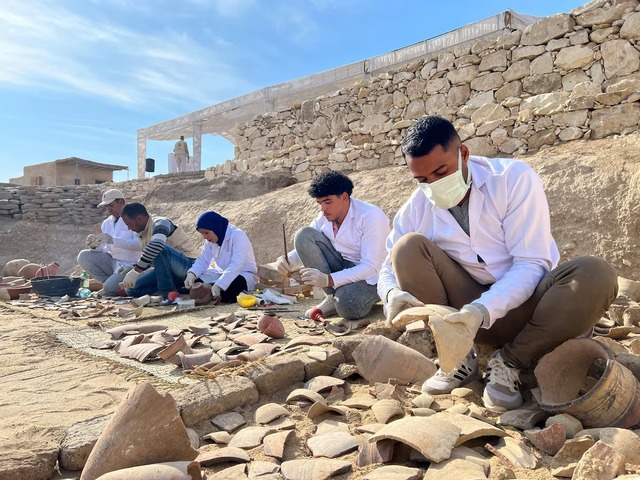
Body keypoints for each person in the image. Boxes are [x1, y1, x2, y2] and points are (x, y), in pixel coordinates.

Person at [378, 115, 618, 411]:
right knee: (406, 248)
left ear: (463, 153)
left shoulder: (512, 179)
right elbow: (387, 266)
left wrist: (482, 310)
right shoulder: (415, 208)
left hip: (528, 309)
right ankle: (456, 357)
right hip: (464, 316)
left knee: (595, 274)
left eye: (441, 172)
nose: (433, 186)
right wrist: (390, 294)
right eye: (422, 180)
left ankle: (510, 362)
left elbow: (531, 263)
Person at [275, 171, 390, 321]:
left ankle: (341, 299)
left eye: (327, 202)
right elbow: (306, 245)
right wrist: (287, 260)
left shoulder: (371, 216)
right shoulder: (324, 217)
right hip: (342, 269)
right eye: (319, 203)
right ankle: (332, 297)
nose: (323, 209)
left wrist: (329, 279)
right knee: (303, 234)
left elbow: (371, 267)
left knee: (348, 305)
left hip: (372, 277)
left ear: (344, 197)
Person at [120, 202, 200, 298]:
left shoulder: (161, 222)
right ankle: (178, 288)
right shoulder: (143, 232)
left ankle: (166, 291)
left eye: (129, 224)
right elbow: (156, 260)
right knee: (131, 289)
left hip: (189, 266)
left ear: (139, 218)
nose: (129, 228)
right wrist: (132, 269)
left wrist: (137, 270)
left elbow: (157, 247)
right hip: (168, 271)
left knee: (158, 247)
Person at [183, 211, 258, 303]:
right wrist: (192, 274)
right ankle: (211, 292)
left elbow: (237, 265)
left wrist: (219, 284)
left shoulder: (237, 235)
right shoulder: (210, 241)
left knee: (233, 287)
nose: (204, 237)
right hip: (220, 273)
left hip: (243, 274)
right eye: (202, 234)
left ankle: (211, 292)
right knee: (196, 281)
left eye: (206, 233)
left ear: (215, 227)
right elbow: (203, 260)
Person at [77, 189, 141, 296]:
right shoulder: (107, 223)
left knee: (109, 289)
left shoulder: (134, 218)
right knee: (83, 256)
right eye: (107, 206)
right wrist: (94, 246)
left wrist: (113, 240)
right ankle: (110, 284)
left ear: (121, 202)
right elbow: (104, 249)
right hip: (113, 262)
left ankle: (111, 286)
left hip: (129, 265)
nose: (109, 209)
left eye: (111, 205)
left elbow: (139, 245)